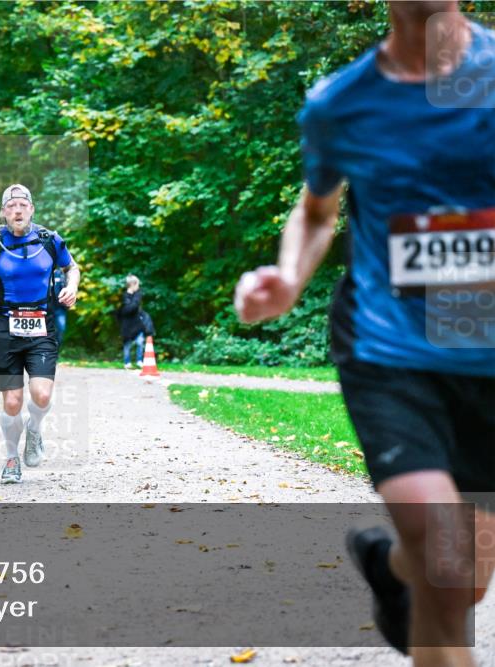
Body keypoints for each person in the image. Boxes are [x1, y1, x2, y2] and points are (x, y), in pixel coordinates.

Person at [234, 3, 494, 664]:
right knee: (447, 562)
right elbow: (317, 211)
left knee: (463, 579)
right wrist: (289, 277)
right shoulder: (340, 104)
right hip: (389, 346)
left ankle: (389, 566)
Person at [0, 184, 80, 484]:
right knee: (11, 403)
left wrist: (72, 287)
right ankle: (12, 459)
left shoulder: (50, 240)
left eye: (23, 204)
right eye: (11, 205)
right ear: (3, 212)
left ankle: (35, 430)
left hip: (42, 325)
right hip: (6, 329)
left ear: (32, 209)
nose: (17, 210)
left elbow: (72, 268)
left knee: (41, 395)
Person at [118, 274, 145, 369]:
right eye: (137, 284)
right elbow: (127, 309)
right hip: (127, 325)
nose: (138, 286)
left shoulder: (138, 294)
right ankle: (127, 362)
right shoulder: (125, 295)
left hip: (137, 323)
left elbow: (132, 307)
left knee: (140, 342)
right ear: (132, 284)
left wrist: (130, 305)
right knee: (127, 344)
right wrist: (130, 304)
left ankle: (139, 360)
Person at [52, 266, 68, 347]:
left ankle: (55, 353)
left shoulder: (65, 276)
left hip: (60, 309)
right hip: (48, 308)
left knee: (61, 330)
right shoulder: (51, 274)